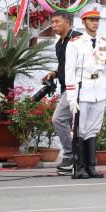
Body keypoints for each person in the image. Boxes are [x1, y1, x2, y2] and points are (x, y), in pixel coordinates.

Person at [64, 5, 106, 180]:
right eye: (92, 20)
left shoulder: (104, 43)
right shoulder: (75, 43)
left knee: (93, 129)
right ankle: (79, 167)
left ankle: (91, 166)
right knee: (79, 129)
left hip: (99, 88)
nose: (95, 23)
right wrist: (70, 96)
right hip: (81, 88)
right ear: (83, 22)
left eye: (97, 20)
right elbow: (69, 71)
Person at [41, 12, 81, 175]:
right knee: (75, 124)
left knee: (59, 118)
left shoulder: (78, 39)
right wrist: (55, 73)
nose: (53, 25)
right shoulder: (59, 43)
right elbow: (66, 65)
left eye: (57, 21)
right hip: (65, 87)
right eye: (52, 22)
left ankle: (70, 155)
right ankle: (77, 159)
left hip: (78, 87)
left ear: (68, 22)